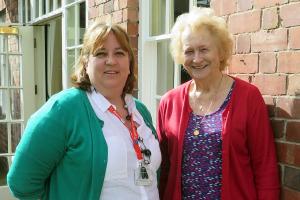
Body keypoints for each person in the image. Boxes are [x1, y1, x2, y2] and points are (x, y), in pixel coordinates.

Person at [7, 21, 161, 200]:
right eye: (101, 53)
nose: (111, 61)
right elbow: (21, 182)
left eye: (119, 53)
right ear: (86, 63)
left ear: (129, 63)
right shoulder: (64, 109)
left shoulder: (140, 110)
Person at [157, 7, 280, 200]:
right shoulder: (169, 102)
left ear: (221, 52)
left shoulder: (248, 97)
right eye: (189, 51)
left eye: (204, 49)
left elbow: (265, 168)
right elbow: (162, 169)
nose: (196, 59)